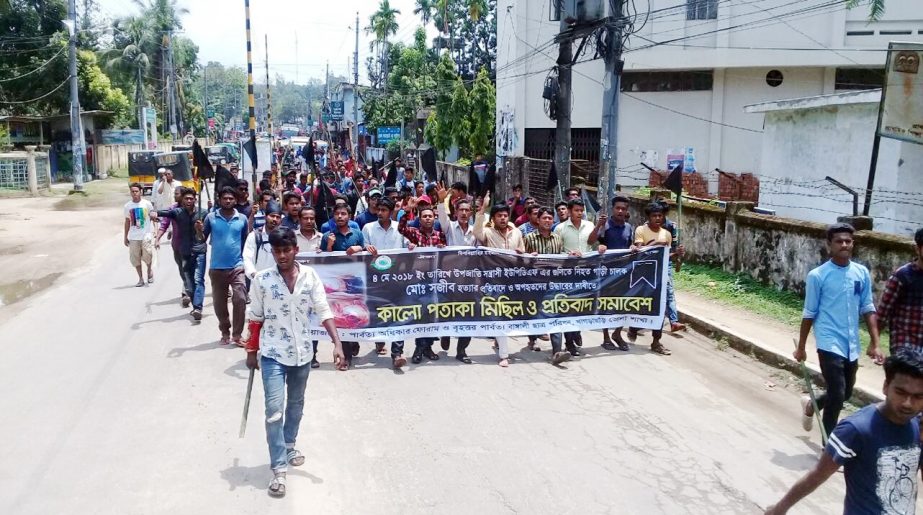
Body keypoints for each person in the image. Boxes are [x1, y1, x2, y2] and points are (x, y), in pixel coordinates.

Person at [245, 226, 348, 498]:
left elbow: (324, 310)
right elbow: (255, 317)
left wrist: (337, 344)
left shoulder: (310, 276)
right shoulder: (262, 280)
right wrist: (251, 352)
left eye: (286, 250)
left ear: (295, 250)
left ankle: (289, 444)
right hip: (272, 354)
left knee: (296, 404)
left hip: (303, 352)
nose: (281, 255)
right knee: (273, 411)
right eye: (277, 251)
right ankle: (278, 469)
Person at [764, 347, 923, 515]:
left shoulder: (914, 426)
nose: (907, 403)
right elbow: (817, 475)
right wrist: (778, 510)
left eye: (918, 397)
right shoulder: (856, 429)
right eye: (900, 392)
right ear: (885, 387)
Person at [795, 223, 883, 438]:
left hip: (851, 342)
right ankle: (830, 447)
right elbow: (809, 312)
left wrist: (876, 342)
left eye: (848, 241)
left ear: (853, 244)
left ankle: (812, 404)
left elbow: (867, 307)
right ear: (829, 245)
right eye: (839, 241)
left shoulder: (861, 273)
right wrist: (802, 347)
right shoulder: (818, 276)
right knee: (837, 392)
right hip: (828, 340)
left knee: (846, 393)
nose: (844, 244)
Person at [473, 192, 525, 367]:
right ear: (493, 218)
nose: (503, 218)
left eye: (505, 215)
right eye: (499, 216)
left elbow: (522, 252)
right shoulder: (487, 232)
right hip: (493, 281)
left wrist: (521, 254)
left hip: (512, 280)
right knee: (499, 313)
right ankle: (504, 355)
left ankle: (498, 337)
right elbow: (476, 232)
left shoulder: (516, 232)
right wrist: (482, 209)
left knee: (508, 314)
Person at [363, 197, 413, 368]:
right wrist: (365, 248)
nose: (380, 213)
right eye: (378, 210)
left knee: (398, 313)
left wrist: (412, 246)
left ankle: (397, 353)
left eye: (384, 210)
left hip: (396, 277)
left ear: (391, 212)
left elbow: (409, 244)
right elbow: (362, 248)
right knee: (378, 312)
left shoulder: (400, 229)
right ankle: (379, 340)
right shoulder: (368, 228)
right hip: (374, 278)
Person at [524, 207, 574, 365]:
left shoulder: (558, 238)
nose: (547, 221)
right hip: (533, 284)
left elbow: (561, 258)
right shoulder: (529, 238)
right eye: (544, 218)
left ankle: (556, 352)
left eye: (550, 219)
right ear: (538, 220)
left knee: (555, 316)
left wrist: (572, 256)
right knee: (533, 313)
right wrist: (527, 257)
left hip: (553, 284)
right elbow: (520, 260)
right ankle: (532, 338)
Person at [399, 205, 447, 364]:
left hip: (434, 281)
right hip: (417, 280)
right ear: (419, 219)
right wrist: (406, 211)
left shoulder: (440, 236)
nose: (427, 218)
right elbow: (401, 228)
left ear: (435, 218)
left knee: (432, 314)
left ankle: (426, 347)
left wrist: (443, 248)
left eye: (430, 216)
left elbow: (446, 257)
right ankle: (420, 348)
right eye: (424, 216)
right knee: (420, 314)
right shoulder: (414, 233)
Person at [434, 184, 477, 361]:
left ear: (470, 214)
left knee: (468, 315)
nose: (464, 213)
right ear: (456, 211)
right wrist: (440, 200)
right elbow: (442, 217)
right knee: (447, 311)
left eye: (467, 210)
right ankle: (445, 333)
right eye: (461, 210)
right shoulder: (449, 227)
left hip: (468, 280)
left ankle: (461, 351)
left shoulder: (476, 232)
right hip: (449, 279)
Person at [320, 203, 366, 366]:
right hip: (336, 283)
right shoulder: (327, 236)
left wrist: (359, 247)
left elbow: (368, 250)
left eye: (343, 214)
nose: (340, 217)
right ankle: (345, 357)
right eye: (337, 214)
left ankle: (354, 342)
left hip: (355, 280)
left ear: (350, 216)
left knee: (355, 314)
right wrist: (330, 245)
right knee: (341, 317)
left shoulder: (358, 234)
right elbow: (321, 260)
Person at [203, 186, 250, 346]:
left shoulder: (242, 219)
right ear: (219, 200)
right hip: (217, 268)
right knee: (219, 303)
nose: (228, 201)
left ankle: (237, 334)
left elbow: (245, 241)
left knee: (240, 299)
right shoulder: (210, 218)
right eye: (225, 198)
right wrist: (198, 231)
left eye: (231, 198)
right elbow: (201, 239)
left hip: (237, 266)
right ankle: (225, 331)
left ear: (236, 200)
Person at [631, 202, 679, 356]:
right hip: (644, 274)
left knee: (660, 306)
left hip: (661, 274)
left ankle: (656, 341)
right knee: (643, 304)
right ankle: (634, 326)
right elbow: (641, 250)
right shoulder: (641, 230)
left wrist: (677, 254)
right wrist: (657, 243)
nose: (657, 218)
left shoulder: (667, 234)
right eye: (654, 216)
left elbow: (666, 256)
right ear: (649, 217)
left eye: (660, 215)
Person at [589, 195, 636, 350]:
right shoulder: (605, 225)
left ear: (627, 210)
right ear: (613, 209)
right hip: (607, 273)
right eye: (618, 208)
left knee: (623, 304)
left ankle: (617, 333)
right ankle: (606, 336)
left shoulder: (629, 227)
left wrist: (633, 248)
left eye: (623, 208)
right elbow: (593, 241)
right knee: (606, 304)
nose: (620, 211)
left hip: (624, 272)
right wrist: (600, 244)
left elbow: (630, 246)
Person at [156, 187, 209, 320]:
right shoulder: (177, 212)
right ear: (182, 200)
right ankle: (194, 302)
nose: (189, 201)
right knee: (189, 284)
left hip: (199, 252)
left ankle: (198, 308)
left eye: (191, 198)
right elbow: (163, 214)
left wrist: (199, 230)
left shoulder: (203, 213)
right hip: (184, 252)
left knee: (199, 280)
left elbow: (204, 238)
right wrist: (153, 212)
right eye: (186, 198)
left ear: (195, 200)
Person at [554, 199, 600, 352]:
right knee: (569, 307)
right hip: (568, 273)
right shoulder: (560, 228)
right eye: (576, 210)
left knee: (582, 306)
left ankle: (576, 332)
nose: (579, 213)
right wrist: (568, 254)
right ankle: (569, 342)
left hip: (586, 272)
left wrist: (599, 229)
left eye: (581, 210)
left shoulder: (590, 225)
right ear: (569, 211)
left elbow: (593, 243)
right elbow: (555, 251)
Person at [877, 227, 923, 351]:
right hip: (904, 342)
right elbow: (883, 312)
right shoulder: (902, 275)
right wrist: (874, 343)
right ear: (917, 249)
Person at [155, 187, 186, 302]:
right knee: (182, 268)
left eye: (176, 194)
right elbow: (164, 224)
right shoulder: (172, 209)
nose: (174, 196)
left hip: (190, 245)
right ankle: (186, 286)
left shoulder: (191, 209)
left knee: (188, 268)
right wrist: (158, 238)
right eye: (174, 193)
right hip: (177, 245)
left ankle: (186, 291)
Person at [124, 183, 156, 287]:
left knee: (148, 254)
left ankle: (149, 271)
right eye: (132, 191)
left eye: (136, 191)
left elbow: (153, 217)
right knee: (135, 258)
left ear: (140, 192)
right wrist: (125, 237)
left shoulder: (147, 204)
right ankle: (141, 279)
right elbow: (127, 221)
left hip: (145, 235)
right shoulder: (128, 206)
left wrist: (155, 231)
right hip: (134, 237)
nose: (134, 193)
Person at [243, 200, 283, 280]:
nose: (275, 219)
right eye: (272, 216)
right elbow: (247, 258)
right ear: (265, 216)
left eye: (278, 217)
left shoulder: (284, 236)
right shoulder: (254, 236)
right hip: (258, 281)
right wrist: (254, 275)